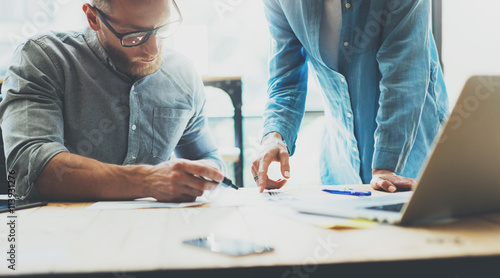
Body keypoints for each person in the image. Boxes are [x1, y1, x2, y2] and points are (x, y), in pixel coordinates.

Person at [0, 0, 226, 202]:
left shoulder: (183, 73)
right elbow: (29, 167)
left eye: (163, 28)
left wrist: (207, 173)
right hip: (63, 239)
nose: (154, 50)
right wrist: (147, 181)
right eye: (134, 36)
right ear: (93, 18)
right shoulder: (45, 59)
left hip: (156, 236)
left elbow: (206, 156)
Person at [252, 0, 449, 193]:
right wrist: (274, 136)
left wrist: (387, 165)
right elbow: (286, 79)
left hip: (409, 153)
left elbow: (403, 74)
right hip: (341, 158)